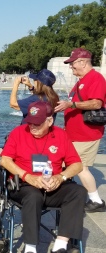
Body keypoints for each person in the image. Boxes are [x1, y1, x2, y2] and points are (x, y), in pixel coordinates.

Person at [1, 101, 86, 253]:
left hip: (53, 184)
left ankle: (60, 245)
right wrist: (27, 176)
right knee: (33, 196)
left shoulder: (60, 135)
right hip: (25, 184)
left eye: (37, 123)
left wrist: (61, 177)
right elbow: (5, 160)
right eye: (30, 122)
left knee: (78, 192)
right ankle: (30, 247)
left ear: (50, 121)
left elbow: (77, 165)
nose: (32, 126)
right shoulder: (19, 132)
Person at [54, 48, 106, 213]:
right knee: (73, 164)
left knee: (79, 166)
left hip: (86, 134)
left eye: (73, 63)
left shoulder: (95, 79)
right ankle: (69, 191)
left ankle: (95, 200)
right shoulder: (82, 80)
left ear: (83, 62)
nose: (71, 67)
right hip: (76, 134)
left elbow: (97, 103)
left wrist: (71, 105)